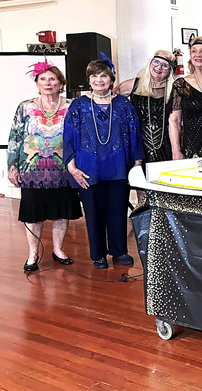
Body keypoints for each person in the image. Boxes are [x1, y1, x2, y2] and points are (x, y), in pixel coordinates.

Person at [63, 58, 144, 269]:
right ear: (88, 80)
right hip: (88, 169)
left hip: (119, 167)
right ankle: (98, 255)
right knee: (93, 212)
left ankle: (120, 251)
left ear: (111, 79)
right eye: (94, 76)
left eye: (103, 76)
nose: (99, 80)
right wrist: (72, 168)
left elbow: (135, 134)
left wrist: (137, 164)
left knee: (118, 210)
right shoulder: (78, 105)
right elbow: (68, 138)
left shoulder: (124, 104)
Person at [8, 60, 82, 271]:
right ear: (37, 83)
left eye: (53, 79)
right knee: (33, 214)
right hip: (32, 170)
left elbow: (80, 137)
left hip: (63, 169)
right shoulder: (25, 107)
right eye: (43, 79)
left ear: (61, 83)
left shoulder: (72, 106)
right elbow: (15, 137)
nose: (48, 83)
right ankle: (33, 254)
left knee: (61, 212)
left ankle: (58, 250)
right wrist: (12, 166)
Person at [117, 50, 176, 163]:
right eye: (156, 62)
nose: (159, 67)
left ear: (170, 70)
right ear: (150, 63)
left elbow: (176, 120)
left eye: (165, 65)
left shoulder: (173, 89)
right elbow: (111, 96)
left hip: (165, 146)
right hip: (138, 146)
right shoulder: (134, 84)